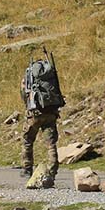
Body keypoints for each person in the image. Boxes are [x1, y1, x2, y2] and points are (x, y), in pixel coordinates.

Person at [20, 50, 64, 185]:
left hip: (35, 113)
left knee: (27, 139)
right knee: (51, 144)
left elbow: (24, 93)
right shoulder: (51, 76)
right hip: (50, 113)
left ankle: (27, 168)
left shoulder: (29, 76)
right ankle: (52, 171)